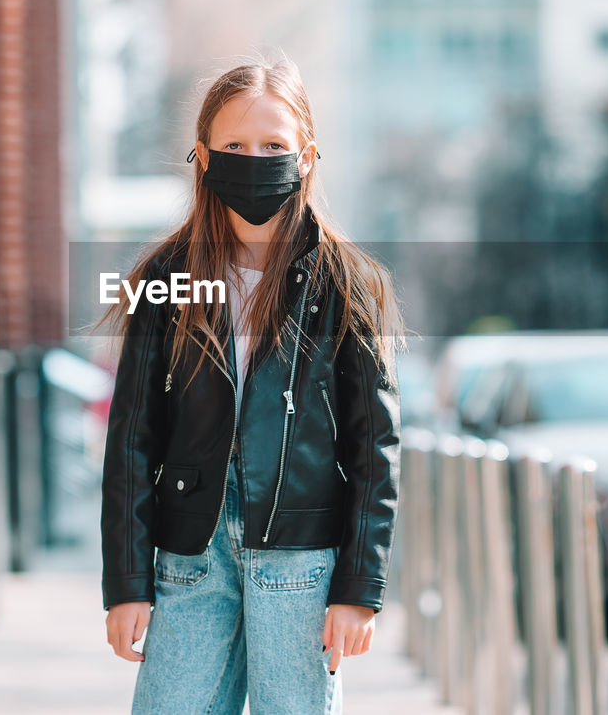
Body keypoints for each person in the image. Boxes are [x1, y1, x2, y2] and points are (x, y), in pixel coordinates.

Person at [98, 54, 404, 714]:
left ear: (307, 157)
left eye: (273, 145)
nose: (254, 158)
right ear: (203, 157)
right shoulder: (167, 277)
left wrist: (359, 586)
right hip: (191, 560)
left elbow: (374, 446)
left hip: (300, 562)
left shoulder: (347, 284)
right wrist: (125, 583)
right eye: (235, 145)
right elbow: (130, 438)